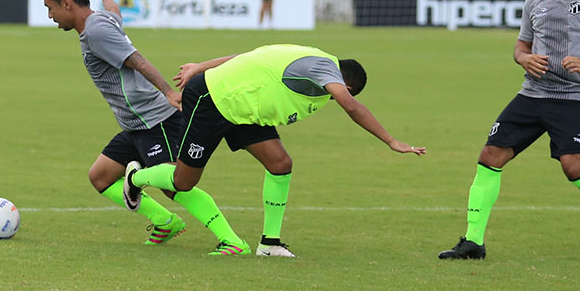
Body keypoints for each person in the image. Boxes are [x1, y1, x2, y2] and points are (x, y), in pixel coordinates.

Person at [124, 44, 426, 257]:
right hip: (213, 99)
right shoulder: (323, 67)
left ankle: (270, 243)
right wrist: (390, 141)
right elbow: (351, 106)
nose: (335, 98)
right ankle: (137, 178)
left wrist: (200, 64)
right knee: (184, 182)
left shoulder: (312, 62)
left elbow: (252, 56)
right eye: (341, 91)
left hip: (246, 112)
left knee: (280, 163)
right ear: (345, 82)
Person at [438, 0, 580, 261]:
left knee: (574, 166)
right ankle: (473, 241)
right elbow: (521, 46)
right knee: (490, 155)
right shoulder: (534, 0)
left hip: (572, 96)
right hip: (532, 93)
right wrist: (523, 58)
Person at [38, 0, 248, 251]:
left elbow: (137, 61)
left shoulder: (96, 31)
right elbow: (116, 13)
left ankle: (233, 241)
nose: (50, 16)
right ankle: (164, 221)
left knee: (175, 184)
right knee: (100, 176)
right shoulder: (101, 19)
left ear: (66, 3)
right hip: (135, 123)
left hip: (153, 118)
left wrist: (169, 92)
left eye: (50, 8)